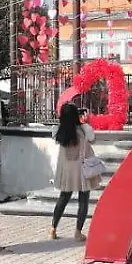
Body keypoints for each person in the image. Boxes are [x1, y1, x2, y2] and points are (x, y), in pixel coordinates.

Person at [49, 103, 102, 242]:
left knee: (63, 198)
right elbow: (93, 140)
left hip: (67, 170)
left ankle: (53, 229)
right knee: (83, 200)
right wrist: (86, 122)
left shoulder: (58, 130)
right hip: (82, 169)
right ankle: (78, 233)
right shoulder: (85, 129)